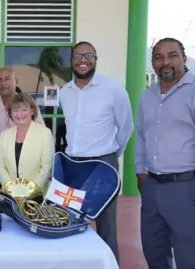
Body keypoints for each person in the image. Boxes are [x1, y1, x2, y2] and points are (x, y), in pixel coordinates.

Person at [135, 37, 195, 269]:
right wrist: (139, 172)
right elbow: (141, 136)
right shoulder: (148, 96)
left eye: (172, 56)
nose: (165, 62)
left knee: (192, 259)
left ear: (184, 59)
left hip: (187, 190)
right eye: (158, 57)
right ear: (153, 62)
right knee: (154, 252)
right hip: (152, 187)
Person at [58, 41, 134, 263]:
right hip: (74, 165)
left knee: (106, 225)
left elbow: (126, 127)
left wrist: (110, 155)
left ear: (96, 59)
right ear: (71, 61)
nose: (83, 60)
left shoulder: (113, 90)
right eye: (77, 56)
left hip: (103, 164)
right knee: (71, 220)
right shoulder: (65, 92)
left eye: (88, 55)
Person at [0, 67, 45, 189]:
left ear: (16, 81)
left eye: (7, 79)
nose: (3, 83)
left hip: (22, 176)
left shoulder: (29, 105)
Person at [0, 93, 54, 189]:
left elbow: (46, 169)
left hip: (36, 196)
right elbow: (0, 167)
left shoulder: (45, 133)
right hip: (11, 194)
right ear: (11, 113)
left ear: (31, 111)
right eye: (15, 110)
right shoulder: (4, 135)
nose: (19, 114)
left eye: (24, 110)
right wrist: (11, 189)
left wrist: (30, 191)